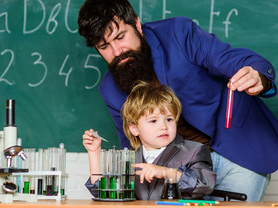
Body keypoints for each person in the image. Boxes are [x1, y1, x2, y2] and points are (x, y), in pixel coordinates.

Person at [78, 0, 278, 201]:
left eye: (120, 37)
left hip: (239, 152)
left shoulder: (178, 32)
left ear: (137, 25)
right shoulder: (110, 90)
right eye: (104, 46)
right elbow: (132, 148)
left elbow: (229, 58)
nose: (117, 51)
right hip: (184, 170)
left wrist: (258, 75)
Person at [83, 82, 216, 200]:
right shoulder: (128, 158)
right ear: (134, 129)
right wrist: (94, 153)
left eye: (169, 119)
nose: (163, 126)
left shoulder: (194, 150)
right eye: (153, 121)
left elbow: (205, 185)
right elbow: (103, 193)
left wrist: (166, 172)